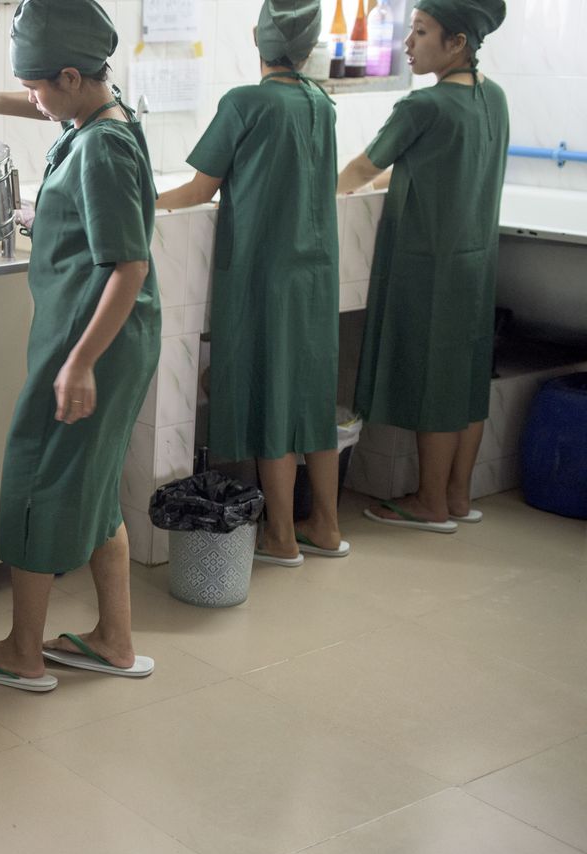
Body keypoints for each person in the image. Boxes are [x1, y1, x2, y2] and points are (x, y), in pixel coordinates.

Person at [0, 0, 160, 691]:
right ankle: (113, 639)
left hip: (90, 338)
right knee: (92, 490)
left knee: (35, 481)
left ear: (70, 75)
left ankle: (21, 651)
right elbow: (48, 106)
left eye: (36, 86)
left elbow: (130, 266)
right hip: (109, 335)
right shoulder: (103, 110)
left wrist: (79, 363)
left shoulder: (101, 149)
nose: (32, 98)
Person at [156, 0, 348, 566]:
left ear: (256, 37)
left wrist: (140, 200)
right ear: (308, 45)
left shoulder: (247, 101)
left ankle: (282, 537)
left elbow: (196, 191)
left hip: (266, 273)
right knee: (311, 397)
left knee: (271, 394)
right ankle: (327, 528)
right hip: (315, 274)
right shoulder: (321, 103)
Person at [337, 0, 508, 533]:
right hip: (474, 265)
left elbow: (365, 167)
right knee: (466, 376)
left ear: (457, 43)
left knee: (434, 380)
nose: (408, 43)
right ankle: (456, 496)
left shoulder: (424, 105)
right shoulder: (492, 97)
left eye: (421, 32)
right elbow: (429, 168)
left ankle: (430, 502)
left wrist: (319, 200)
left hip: (430, 266)